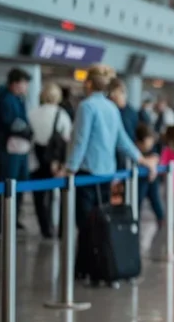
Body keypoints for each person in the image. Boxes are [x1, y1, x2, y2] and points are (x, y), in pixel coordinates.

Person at [64, 64, 157, 230]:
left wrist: (70, 168)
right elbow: (123, 140)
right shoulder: (112, 107)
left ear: (89, 83)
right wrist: (141, 159)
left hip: (88, 173)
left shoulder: (86, 106)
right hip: (107, 173)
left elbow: (80, 141)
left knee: (86, 226)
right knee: (102, 224)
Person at [29, 82, 72, 238]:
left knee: (39, 197)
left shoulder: (32, 113)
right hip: (56, 162)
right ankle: (61, 229)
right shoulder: (62, 115)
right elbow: (67, 139)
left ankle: (45, 228)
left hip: (36, 160)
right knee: (61, 196)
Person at [0, 68, 33, 226]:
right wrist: (27, 130)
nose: (26, 86)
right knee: (9, 184)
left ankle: (13, 218)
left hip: (18, 149)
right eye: (24, 83)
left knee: (19, 184)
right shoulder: (7, 100)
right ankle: (3, 220)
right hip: (8, 150)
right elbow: (11, 123)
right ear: (15, 83)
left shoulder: (19, 100)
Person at [135, 124, 164, 222]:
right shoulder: (135, 152)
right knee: (137, 203)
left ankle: (161, 221)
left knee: (156, 201)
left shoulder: (153, 149)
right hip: (140, 183)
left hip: (150, 182)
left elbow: (155, 157)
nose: (150, 145)